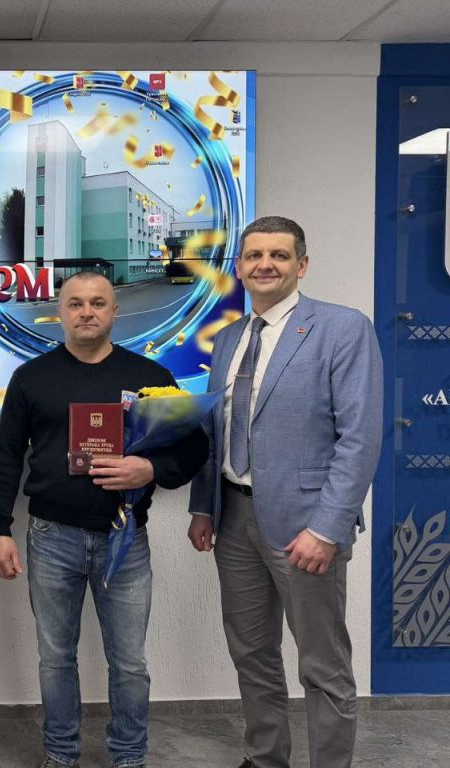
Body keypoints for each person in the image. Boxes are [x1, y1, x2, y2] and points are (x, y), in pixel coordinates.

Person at [0, 271, 208, 768]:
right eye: (76, 303)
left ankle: (129, 756)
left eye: (98, 303)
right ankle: (60, 754)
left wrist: (150, 468)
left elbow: (193, 447)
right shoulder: (31, 378)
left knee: (129, 663)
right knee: (55, 658)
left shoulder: (151, 377)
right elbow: (6, 457)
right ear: (60, 312)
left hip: (124, 539)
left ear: (114, 311)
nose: (87, 312)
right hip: (50, 538)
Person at [187, 216, 382, 768]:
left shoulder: (343, 328)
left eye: (279, 254)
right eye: (254, 255)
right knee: (252, 655)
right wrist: (203, 507)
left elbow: (360, 438)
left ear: (302, 264)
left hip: (306, 527)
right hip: (233, 521)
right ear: (239, 267)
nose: (265, 264)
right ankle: (265, 756)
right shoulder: (229, 339)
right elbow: (215, 430)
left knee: (322, 664)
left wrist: (327, 528)